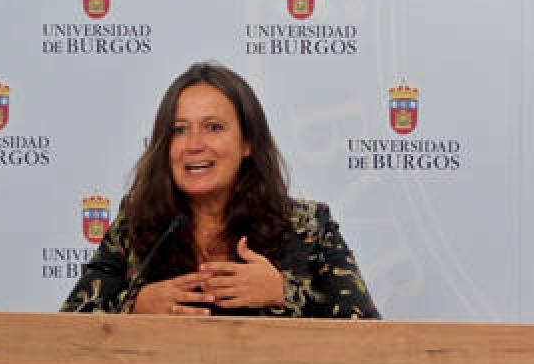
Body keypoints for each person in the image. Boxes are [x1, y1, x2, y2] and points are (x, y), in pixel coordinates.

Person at [61, 62, 380, 319]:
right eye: (179, 130)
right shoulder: (135, 225)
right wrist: (133, 307)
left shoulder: (306, 227)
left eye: (213, 127)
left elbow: (368, 333)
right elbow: (65, 330)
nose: (194, 145)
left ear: (247, 143)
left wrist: (285, 293)